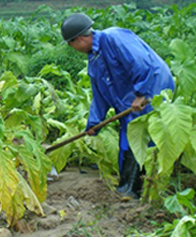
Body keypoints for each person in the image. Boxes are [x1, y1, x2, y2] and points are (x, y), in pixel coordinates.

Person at [60, 13, 175, 199]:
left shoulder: (114, 37)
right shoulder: (94, 60)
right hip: (130, 102)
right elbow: (100, 96)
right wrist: (93, 124)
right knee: (126, 140)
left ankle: (135, 189)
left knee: (142, 137)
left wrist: (141, 93)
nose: (71, 48)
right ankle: (128, 186)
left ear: (79, 39)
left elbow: (142, 63)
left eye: (70, 44)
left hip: (153, 87)